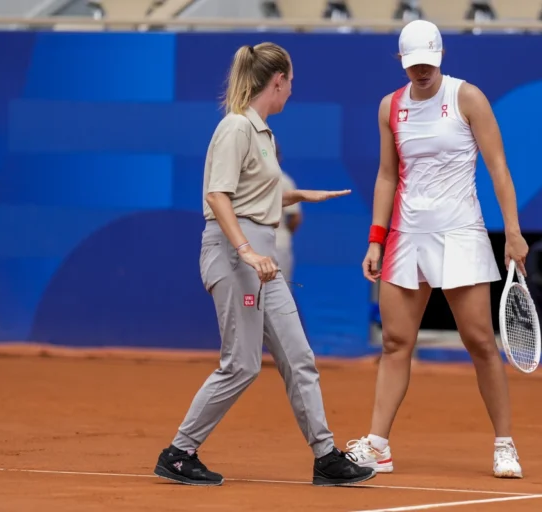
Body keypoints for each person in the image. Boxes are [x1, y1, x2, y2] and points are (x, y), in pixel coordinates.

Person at [154, 42, 375, 488]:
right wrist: (247, 252)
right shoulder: (235, 128)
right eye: (290, 82)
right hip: (238, 255)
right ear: (277, 82)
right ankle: (179, 453)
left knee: (299, 357)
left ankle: (325, 456)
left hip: (262, 256)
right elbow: (218, 196)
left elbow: (253, 194)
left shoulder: (264, 134)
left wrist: (300, 195)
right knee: (242, 364)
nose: (292, 90)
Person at [345, 20, 529, 479]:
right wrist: (376, 237)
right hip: (406, 238)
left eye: (427, 63)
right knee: (394, 343)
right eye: (413, 65)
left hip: (461, 234)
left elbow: (498, 167)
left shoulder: (468, 98)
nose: (421, 71)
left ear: (440, 56)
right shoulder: (390, 106)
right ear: (401, 62)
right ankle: (378, 445)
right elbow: (387, 175)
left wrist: (513, 231)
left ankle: (504, 445)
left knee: (481, 343)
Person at [274, 143, 302, 283]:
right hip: (253, 247)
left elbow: (296, 217)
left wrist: (283, 233)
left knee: (280, 293)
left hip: (278, 245)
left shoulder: (284, 181)